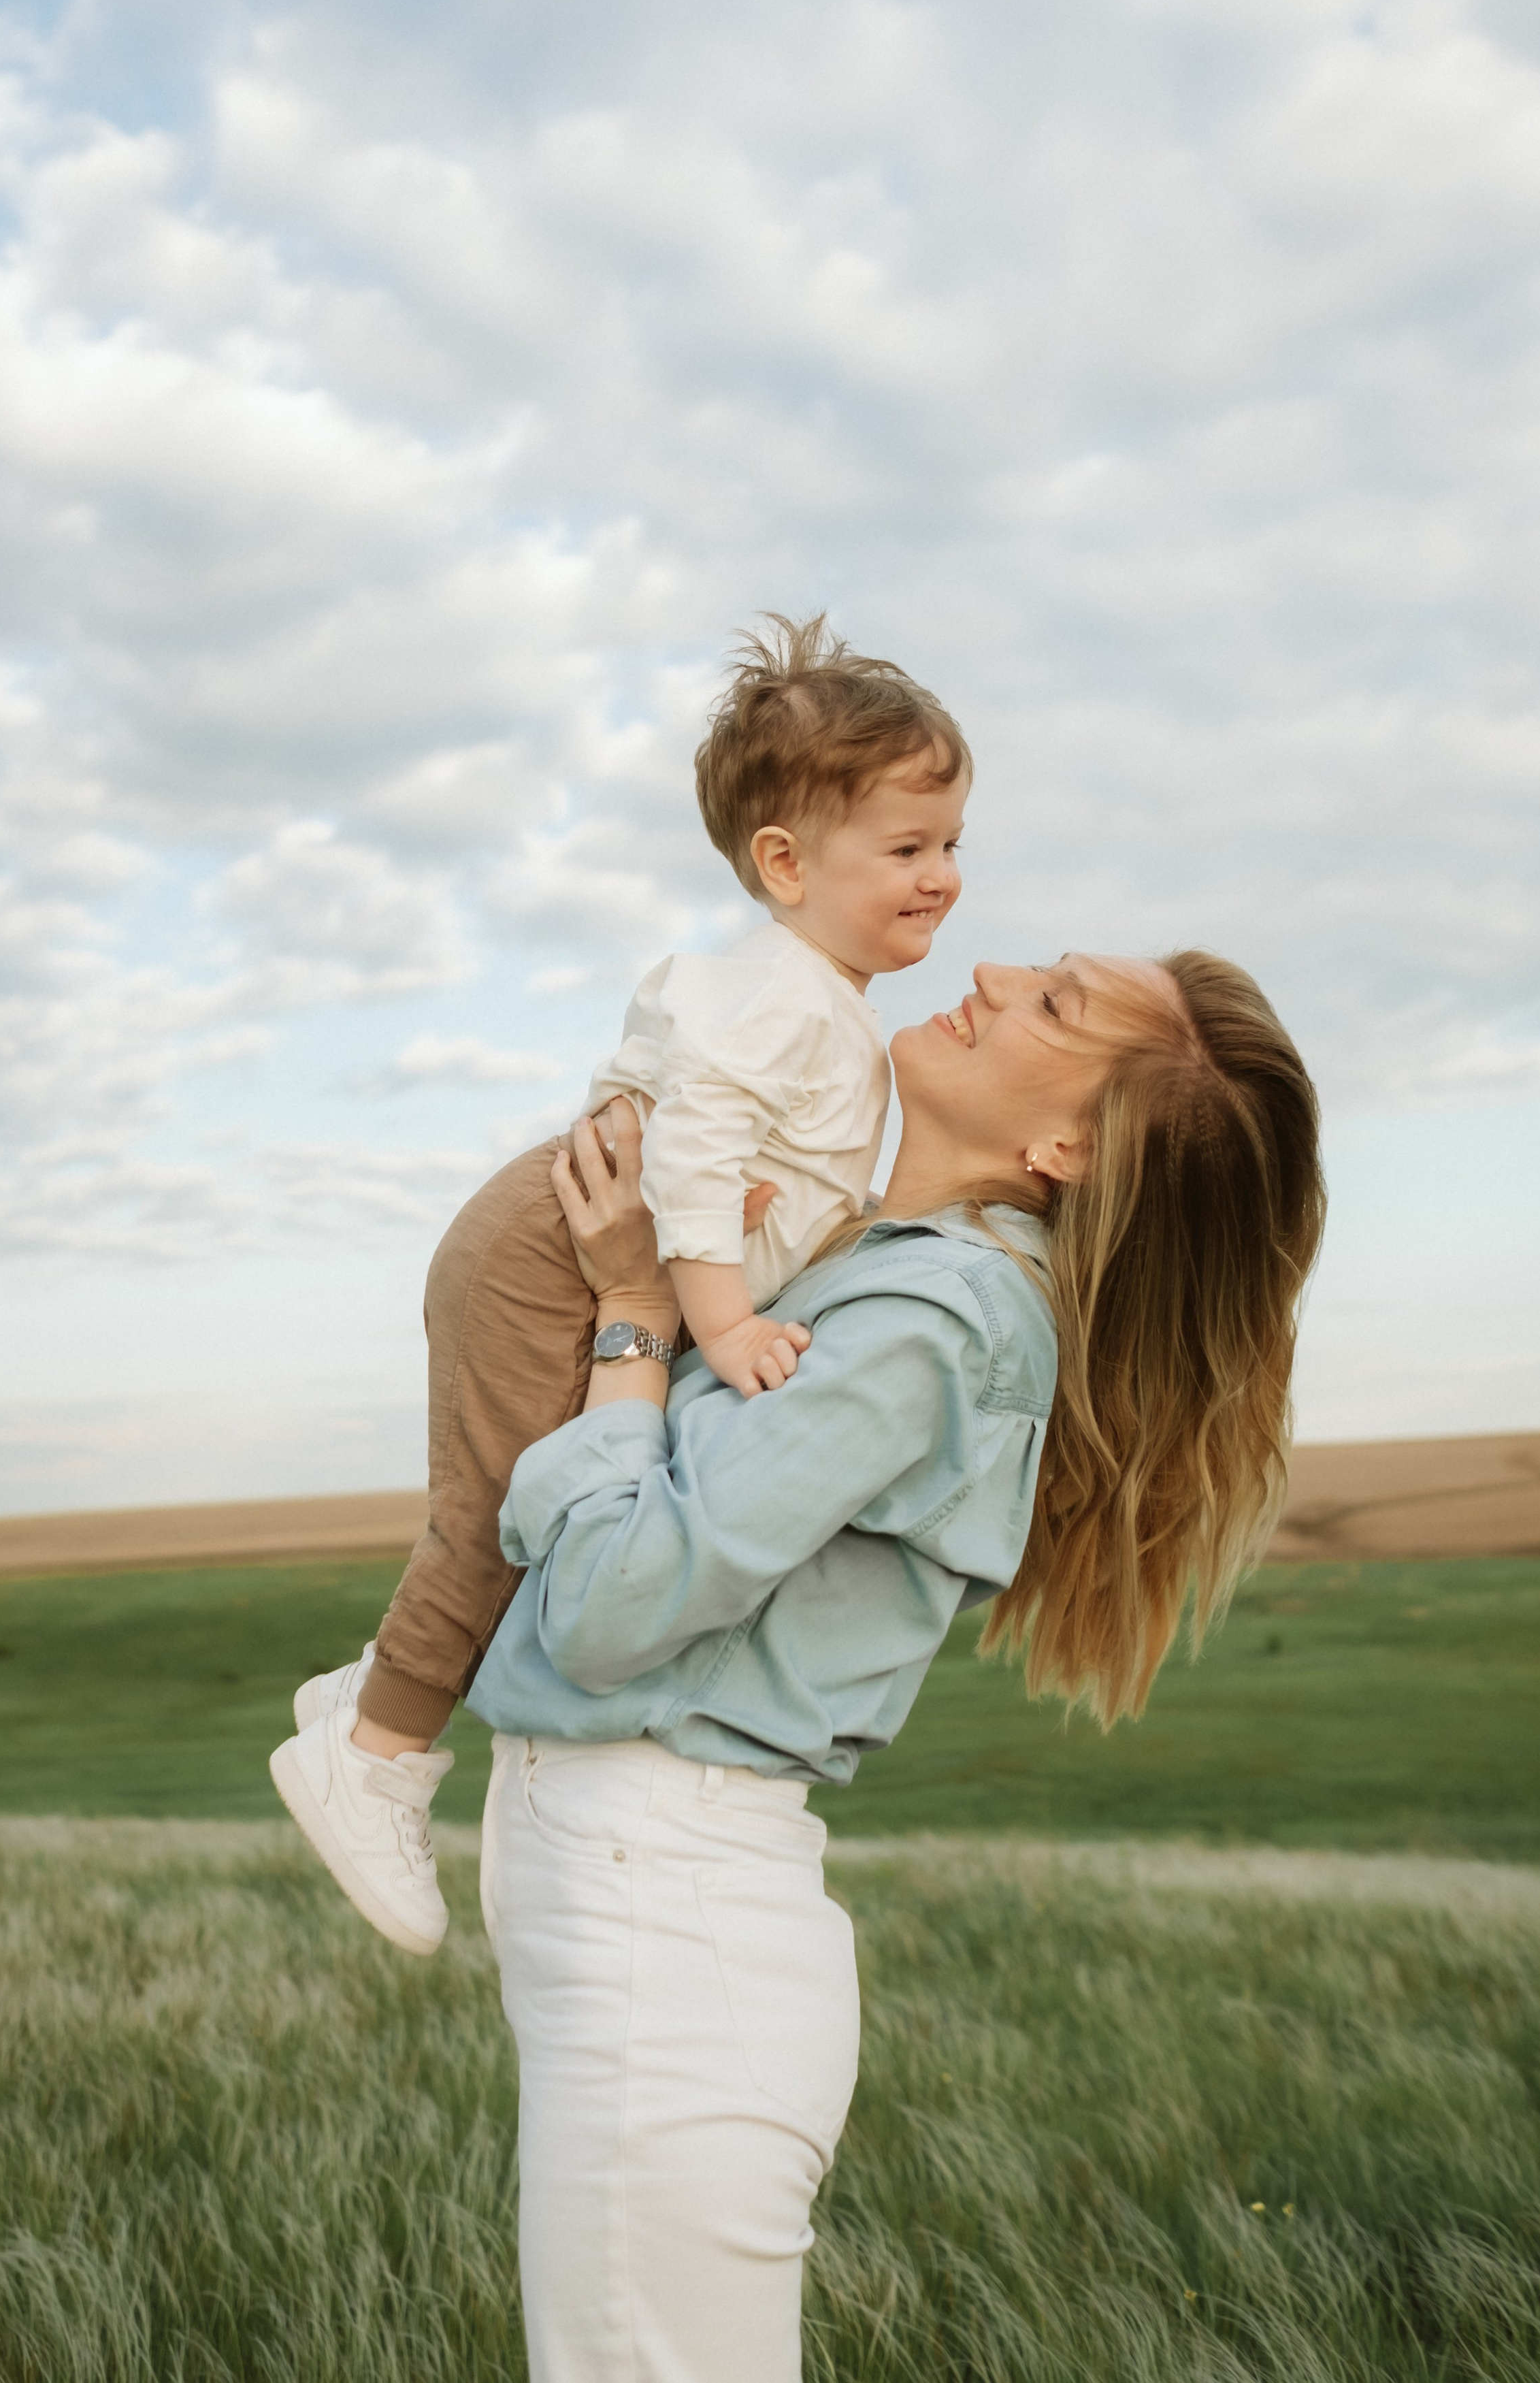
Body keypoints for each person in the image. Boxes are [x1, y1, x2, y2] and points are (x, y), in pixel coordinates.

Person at [457, 946, 1324, 2382]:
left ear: (1059, 1150)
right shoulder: (860, 1272)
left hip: (669, 1931)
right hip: (650, 1917)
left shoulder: (923, 1328)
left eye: (1051, 1004)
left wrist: (634, 1321)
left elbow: (605, 1609)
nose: (991, 966)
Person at [270, 617, 972, 1951]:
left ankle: (367, 1692)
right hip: (553, 1246)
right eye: (905, 847)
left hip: (579, 1237)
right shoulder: (781, 994)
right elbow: (694, 1143)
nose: (940, 876)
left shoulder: (816, 999)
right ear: (782, 862)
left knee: (547, 1500)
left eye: (948, 845)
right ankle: (371, 1759)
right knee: (492, 1512)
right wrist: (716, 1314)